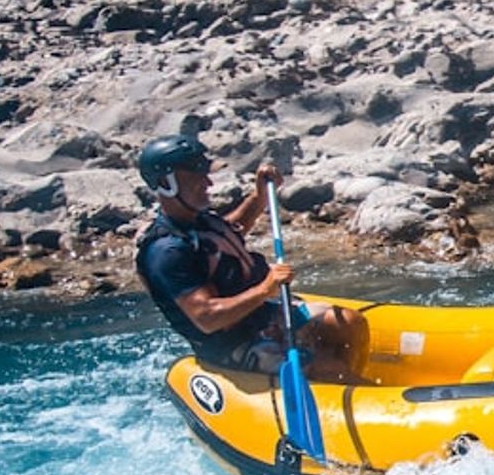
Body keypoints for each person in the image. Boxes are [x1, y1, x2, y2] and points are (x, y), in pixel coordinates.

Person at [133, 132, 369, 382]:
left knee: (349, 323)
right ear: (165, 183)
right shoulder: (166, 252)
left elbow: (227, 235)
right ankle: (334, 378)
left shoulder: (197, 220)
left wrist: (259, 197)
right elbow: (207, 318)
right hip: (231, 344)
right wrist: (266, 289)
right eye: (196, 177)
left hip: (259, 317)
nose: (208, 183)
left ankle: (337, 387)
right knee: (330, 370)